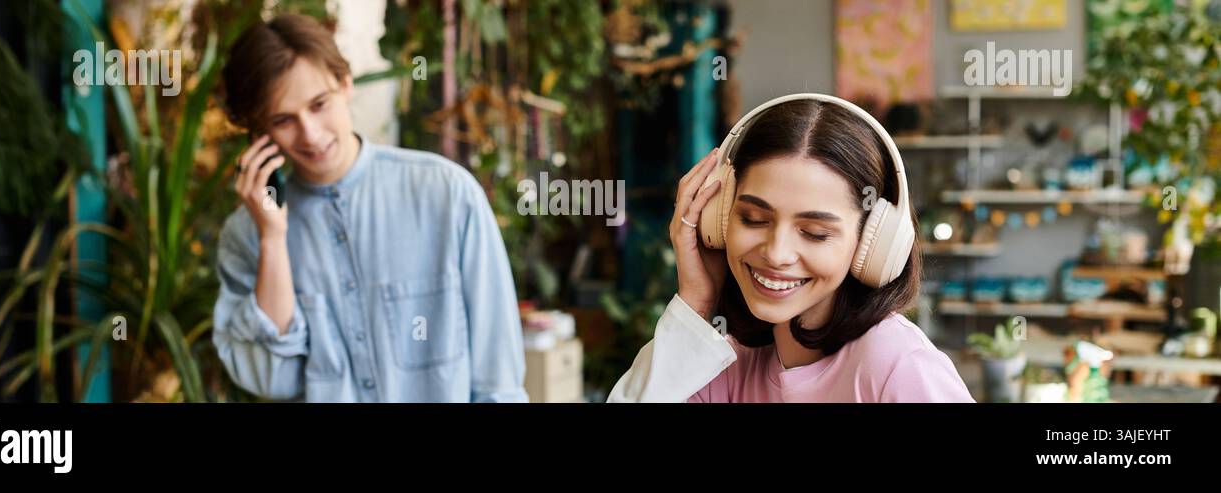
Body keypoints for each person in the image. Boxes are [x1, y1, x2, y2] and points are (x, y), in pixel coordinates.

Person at [212, 13, 526, 402]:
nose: (311, 134)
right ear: (260, 132)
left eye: (319, 104)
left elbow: (499, 381)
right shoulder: (247, 236)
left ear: (345, 84)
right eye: (283, 120)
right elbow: (272, 380)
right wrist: (273, 240)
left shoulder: (446, 195)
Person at [609, 94, 973, 403]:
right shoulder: (725, 366)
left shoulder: (896, 367)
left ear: (872, 244)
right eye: (753, 219)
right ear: (718, 222)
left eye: (814, 232)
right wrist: (696, 302)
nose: (777, 253)